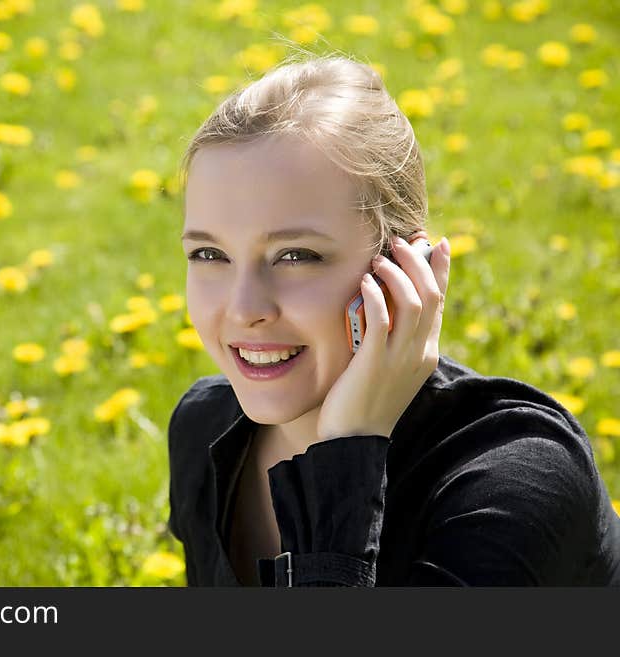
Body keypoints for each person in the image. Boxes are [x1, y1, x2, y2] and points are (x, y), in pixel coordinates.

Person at [166, 54, 620, 586]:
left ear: (406, 268)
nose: (244, 308)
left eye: (295, 255)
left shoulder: (515, 479)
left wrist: (346, 453)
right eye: (209, 255)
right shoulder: (204, 427)